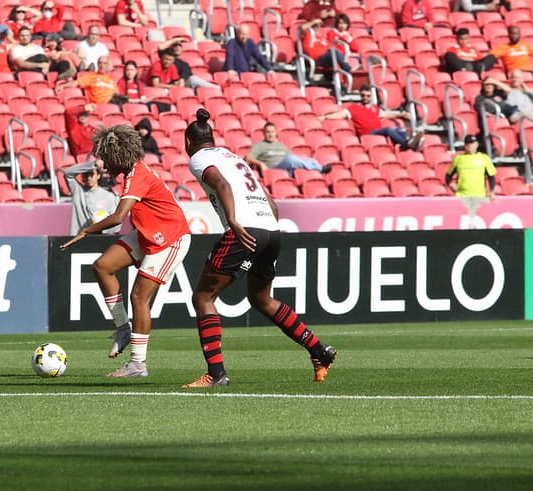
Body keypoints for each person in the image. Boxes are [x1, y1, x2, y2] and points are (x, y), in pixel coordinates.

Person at [182, 108, 337, 387]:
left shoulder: (198, 158)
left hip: (244, 230)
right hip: (270, 229)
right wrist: (267, 232)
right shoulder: (232, 156)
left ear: (188, 142)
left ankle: (216, 374)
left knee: (203, 297)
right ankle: (318, 350)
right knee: (262, 299)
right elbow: (271, 201)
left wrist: (233, 222)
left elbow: (221, 184)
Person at [60, 125, 191, 378]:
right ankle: (122, 328)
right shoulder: (132, 173)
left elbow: (119, 217)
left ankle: (137, 364)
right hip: (148, 233)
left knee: (139, 297)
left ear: (118, 156)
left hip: (170, 238)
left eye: (106, 159)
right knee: (102, 266)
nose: (105, 166)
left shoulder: (137, 175)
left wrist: (86, 231)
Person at [318, 84, 425, 151]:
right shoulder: (354, 107)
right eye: (363, 95)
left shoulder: (374, 108)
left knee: (400, 129)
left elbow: (386, 114)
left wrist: (401, 114)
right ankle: (407, 145)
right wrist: (325, 116)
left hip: (377, 131)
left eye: (368, 96)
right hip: (367, 134)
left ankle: (408, 142)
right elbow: (340, 114)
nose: (365, 98)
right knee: (388, 129)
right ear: (360, 95)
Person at [444, 134, 497, 228]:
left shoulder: (484, 158)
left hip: (479, 196)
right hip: (462, 196)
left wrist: (492, 191)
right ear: (465, 145)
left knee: (477, 225)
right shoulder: (459, 159)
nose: (470, 146)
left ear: (476, 144)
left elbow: (491, 176)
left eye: (472, 143)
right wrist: (450, 183)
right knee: (461, 225)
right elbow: (448, 175)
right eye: (468, 143)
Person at [246, 122, 332, 177]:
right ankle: (320, 169)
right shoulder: (260, 145)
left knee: (310, 159)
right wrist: (261, 163)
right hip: (274, 169)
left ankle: (318, 172)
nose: (270, 134)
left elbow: (293, 158)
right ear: (263, 133)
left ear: (276, 132)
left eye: (272, 132)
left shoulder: (281, 145)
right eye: (268, 132)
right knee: (291, 159)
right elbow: (248, 157)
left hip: (287, 169)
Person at [64, 159, 120, 235]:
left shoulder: (109, 196)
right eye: (86, 175)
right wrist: (92, 165)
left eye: (91, 174)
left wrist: (102, 229)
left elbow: (116, 224)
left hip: (101, 240)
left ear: (98, 175)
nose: (89, 178)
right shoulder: (78, 191)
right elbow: (67, 173)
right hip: (78, 239)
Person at [56, 56, 127, 106]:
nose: (101, 65)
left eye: (104, 63)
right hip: (98, 105)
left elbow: (117, 96)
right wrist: (63, 86)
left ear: (108, 65)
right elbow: (76, 83)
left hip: (112, 105)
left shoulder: (112, 80)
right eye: (100, 63)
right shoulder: (91, 76)